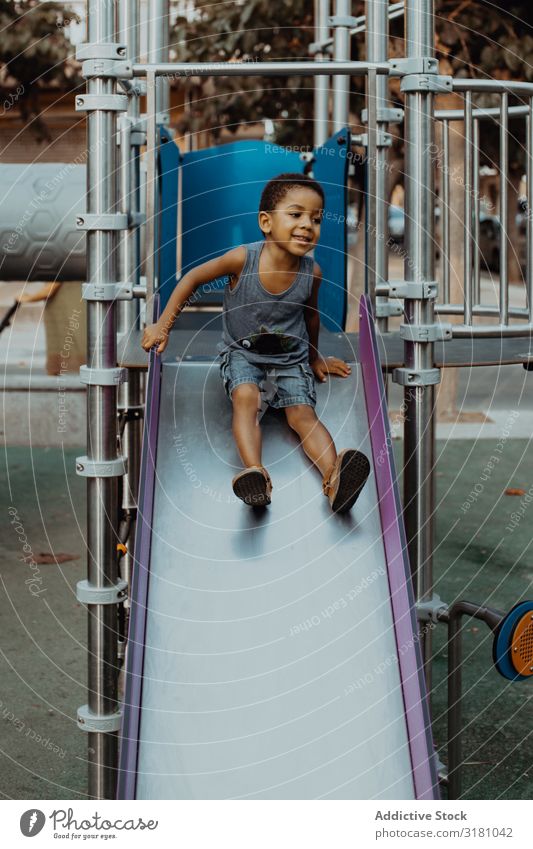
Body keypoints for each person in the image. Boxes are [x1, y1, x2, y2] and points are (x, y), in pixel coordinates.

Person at [142, 172, 370, 512]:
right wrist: (163, 325)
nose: (307, 225)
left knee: (302, 415)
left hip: (291, 359)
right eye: (296, 214)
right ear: (266, 221)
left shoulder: (312, 272)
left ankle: (335, 479)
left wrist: (314, 358)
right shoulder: (242, 260)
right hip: (243, 355)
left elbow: (310, 317)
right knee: (246, 398)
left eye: (316, 218)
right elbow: (192, 278)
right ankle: (256, 475)